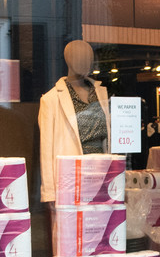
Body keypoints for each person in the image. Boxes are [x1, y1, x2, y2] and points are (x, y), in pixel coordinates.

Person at [38, 39, 111, 203]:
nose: (85, 61)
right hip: (71, 181)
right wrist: (50, 195)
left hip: (102, 177)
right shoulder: (51, 100)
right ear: (68, 59)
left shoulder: (102, 94)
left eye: (88, 57)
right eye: (79, 56)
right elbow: (46, 151)